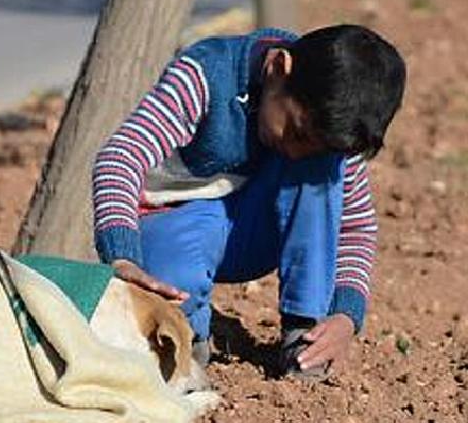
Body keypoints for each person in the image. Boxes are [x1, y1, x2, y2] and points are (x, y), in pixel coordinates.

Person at [91, 24, 405, 377]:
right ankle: (188, 341)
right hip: (173, 224)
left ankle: (305, 337)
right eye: (296, 131)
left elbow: (355, 226)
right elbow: (120, 157)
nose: (296, 151)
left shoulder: (331, 123)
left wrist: (346, 315)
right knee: (172, 300)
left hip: (254, 228)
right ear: (277, 69)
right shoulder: (205, 76)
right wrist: (122, 257)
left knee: (320, 167)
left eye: (310, 143)